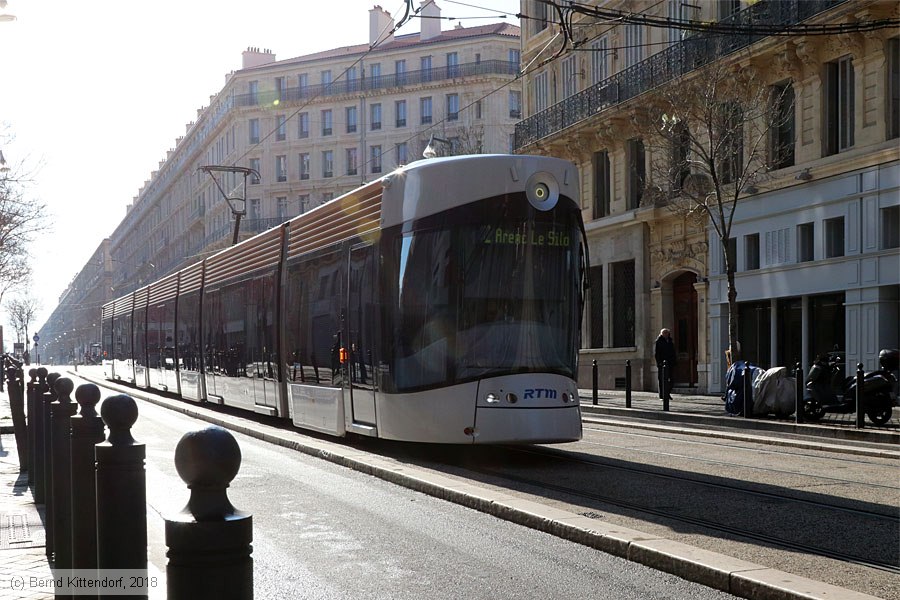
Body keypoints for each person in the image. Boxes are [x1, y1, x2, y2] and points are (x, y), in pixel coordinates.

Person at [654, 328, 676, 400]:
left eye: (667, 333)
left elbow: (673, 352)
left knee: (671, 380)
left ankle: (667, 393)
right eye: (664, 333)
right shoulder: (659, 341)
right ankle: (662, 395)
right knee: (662, 380)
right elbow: (657, 354)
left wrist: (674, 361)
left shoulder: (670, 341)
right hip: (662, 364)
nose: (666, 334)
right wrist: (659, 363)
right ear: (661, 334)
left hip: (670, 363)